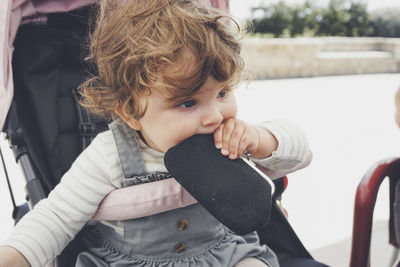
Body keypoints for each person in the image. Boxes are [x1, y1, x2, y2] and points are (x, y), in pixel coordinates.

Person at [0, 0, 312, 266]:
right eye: (187, 103)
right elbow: (55, 218)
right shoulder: (109, 155)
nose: (214, 116)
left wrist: (260, 139)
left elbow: (298, 150)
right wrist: (13, 256)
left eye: (222, 93)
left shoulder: (228, 135)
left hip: (220, 253)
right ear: (131, 112)